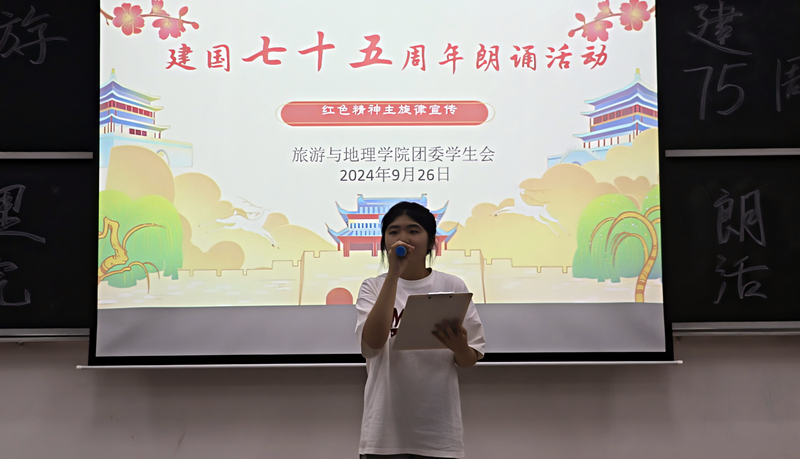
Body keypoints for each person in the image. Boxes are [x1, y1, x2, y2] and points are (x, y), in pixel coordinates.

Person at [355, 201, 486, 459]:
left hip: (440, 434)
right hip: (383, 435)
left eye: (413, 230)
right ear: (384, 242)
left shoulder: (452, 285)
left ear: (430, 243)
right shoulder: (372, 287)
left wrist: (459, 346)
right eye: (393, 231)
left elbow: (469, 359)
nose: (403, 238)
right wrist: (394, 274)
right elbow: (372, 345)